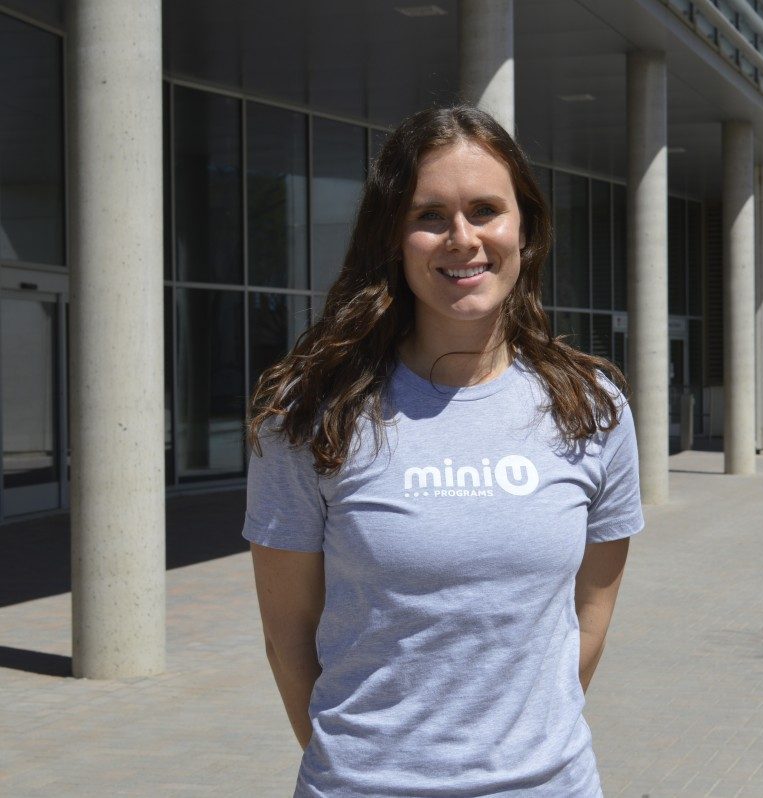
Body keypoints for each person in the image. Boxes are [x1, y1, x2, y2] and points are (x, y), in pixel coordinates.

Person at [242, 105, 644, 797]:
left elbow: (592, 612)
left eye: (485, 210)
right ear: (393, 239)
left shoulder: (592, 407)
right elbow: (289, 636)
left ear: (525, 228)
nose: (463, 238)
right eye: (430, 216)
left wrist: (518, 751)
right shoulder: (312, 413)